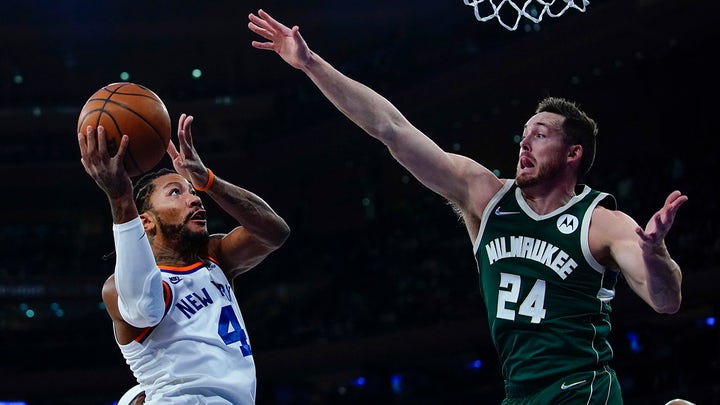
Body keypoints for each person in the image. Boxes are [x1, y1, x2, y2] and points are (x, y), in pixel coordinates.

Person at [248, 9, 687, 404]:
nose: (524, 143)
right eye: (524, 134)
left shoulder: (601, 222)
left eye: (540, 135)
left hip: (580, 388)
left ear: (573, 154)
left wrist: (656, 254)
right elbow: (391, 129)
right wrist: (311, 63)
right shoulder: (485, 197)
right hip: (519, 393)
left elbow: (666, 301)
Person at [78, 112, 291, 403]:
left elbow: (275, 232)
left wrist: (208, 180)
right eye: (175, 192)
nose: (194, 198)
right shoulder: (118, 288)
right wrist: (120, 198)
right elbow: (146, 308)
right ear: (146, 221)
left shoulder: (214, 257)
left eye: (192, 191)